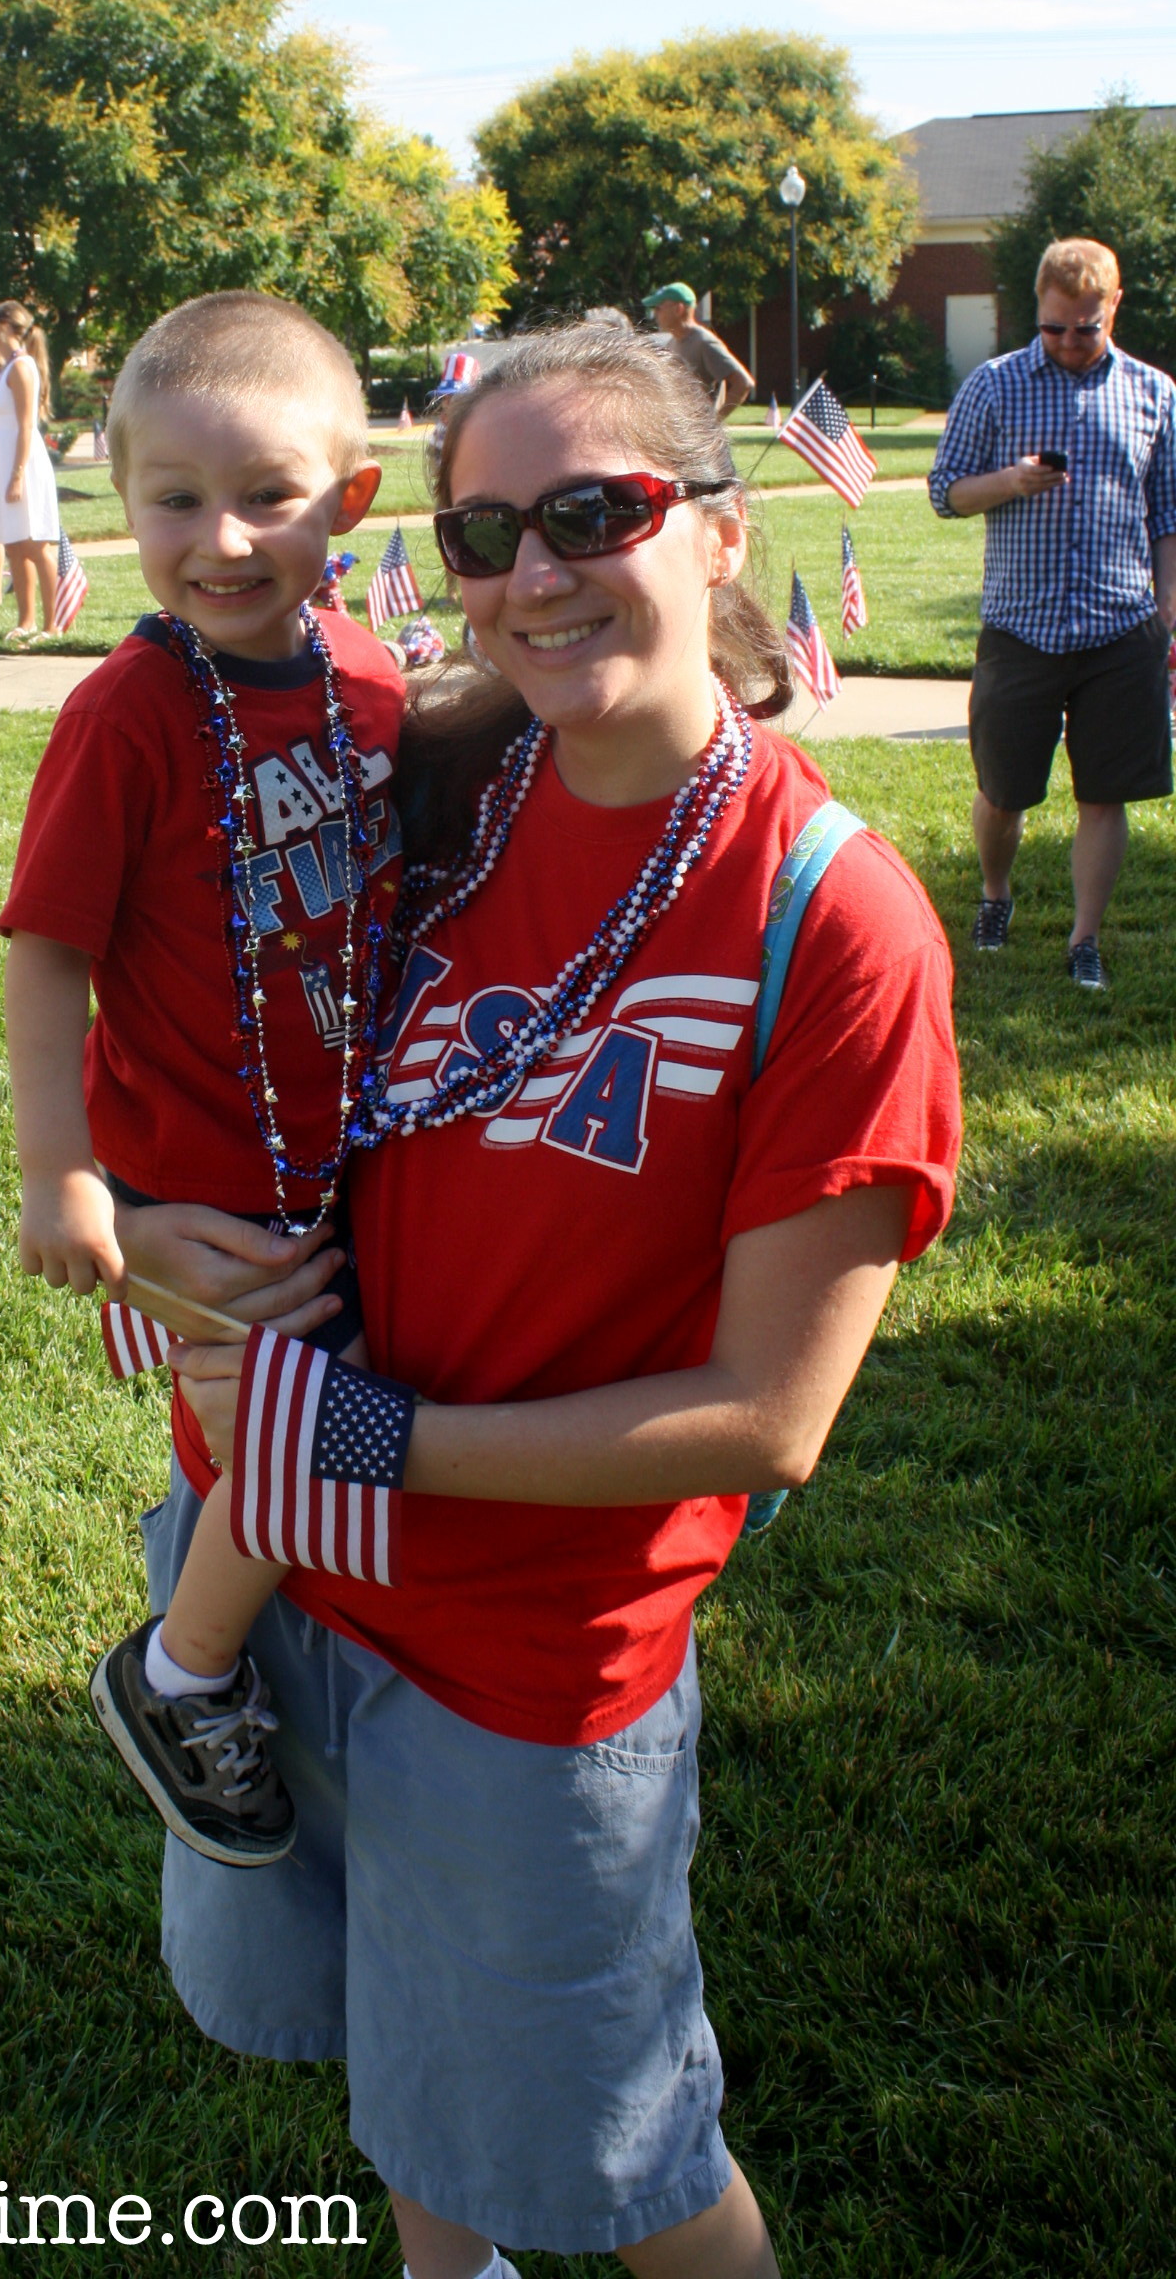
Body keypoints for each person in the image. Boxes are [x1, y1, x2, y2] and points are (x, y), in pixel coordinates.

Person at [108, 322, 961, 2279]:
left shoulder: (828, 918)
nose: (531, 570)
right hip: (285, 1585)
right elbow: (195, 1032)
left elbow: (770, 1416)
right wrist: (146, 1211)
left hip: (525, 1658)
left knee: (632, 2164)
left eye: (595, 509)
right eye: (485, 528)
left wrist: (380, 1443)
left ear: (722, 533)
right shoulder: (427, 804)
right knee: (414, 2082)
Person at [0, 292, 400, 1864]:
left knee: (346, 1417)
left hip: (347, 1162)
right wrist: (63, 1172)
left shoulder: (366, 675)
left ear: (351, 504)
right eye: (175, 501)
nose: (220, 540)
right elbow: (46, 952)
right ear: (120, 503)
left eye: (268, 498)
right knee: (284, 1444)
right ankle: (182, 1671)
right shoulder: (127, 715)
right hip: (202, 1186)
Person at [929, 234, 1176, 991]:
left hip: (1120, 628)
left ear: (1113, 309)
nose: (1069, 342)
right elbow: (946, 492)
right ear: (1035, 309)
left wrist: (1167, 610)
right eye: (1054, 327)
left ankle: (1084, 939)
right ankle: (995, 894)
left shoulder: (1154, 393)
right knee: (1003, 791)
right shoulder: (995, 386)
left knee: (1105, 793)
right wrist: (1008, 481)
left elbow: (1166, 513)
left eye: (1086, 327)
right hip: (1022, 628)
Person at [0, 298, 62, 641]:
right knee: (14, 545)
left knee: (35, 544)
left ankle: (52, 624)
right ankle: (26, 620)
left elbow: (26, 425)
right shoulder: (7, 366)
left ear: (3, 327)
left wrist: (17, 474)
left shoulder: (21, 367)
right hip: (4, 459)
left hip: (23, 462)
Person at [644, 284, 756, 420]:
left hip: (698, 433)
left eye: (659, 308)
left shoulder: (703, 342)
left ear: (678, 309)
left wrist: (714, 421)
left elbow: (743, 383)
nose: (655, 314)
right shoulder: (672, 343)